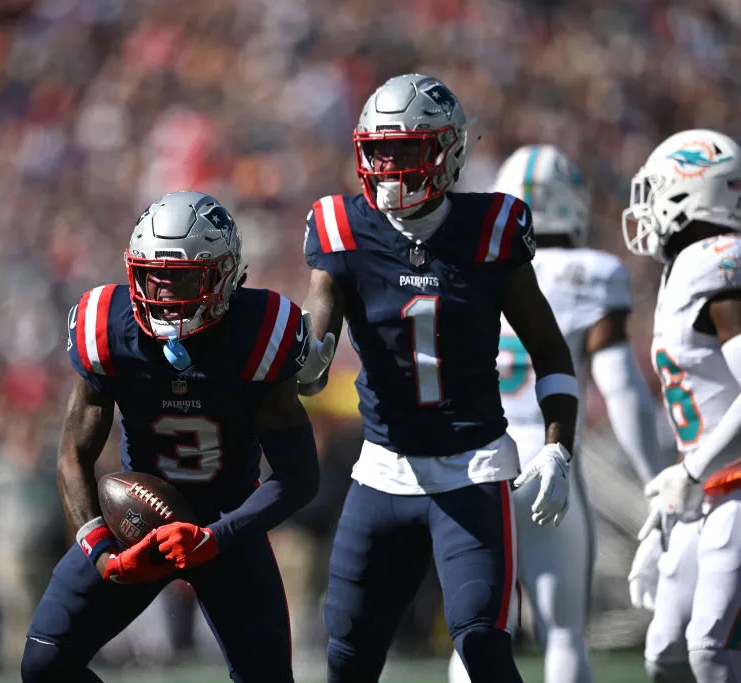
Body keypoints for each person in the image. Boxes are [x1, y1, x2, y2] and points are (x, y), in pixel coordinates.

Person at [297, 74, 579, 683]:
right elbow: (313, 362)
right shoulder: (341, 230)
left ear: (448, 151)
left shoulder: (492, 228)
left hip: (472, 469)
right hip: (382, 471)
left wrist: (559, 446)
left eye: (408, 149)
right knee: (347, 656)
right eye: (380, 149)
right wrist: (306, 360)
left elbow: (552, 353)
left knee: (482, 645)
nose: (390, 165)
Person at [20, 191, 319, 683]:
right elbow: (74, 454)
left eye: (180, 276)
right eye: (151, 274)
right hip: (135, 524)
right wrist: (103, 552)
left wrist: (213, 538)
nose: (161, 291)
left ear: (224, 275)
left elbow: (300, 476)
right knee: (46, 665)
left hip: (227, 524)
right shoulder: (106, 328)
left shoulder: (260, 330)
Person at [447, 145, 667, 683]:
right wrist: (655, 477)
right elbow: (622, 390)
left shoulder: (465, 265)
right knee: (564, 633)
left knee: (475, 631)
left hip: (475, 462)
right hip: (551, 457)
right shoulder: (590, 273)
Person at [622, 129, 741, 683]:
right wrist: (668, 509)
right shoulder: (685, 267)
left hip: (731, 484)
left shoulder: (718, 264)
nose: (644, 209)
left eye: (656, 191)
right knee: (665, 652)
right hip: (704, 493)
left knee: (710, 649)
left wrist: (689, 472)